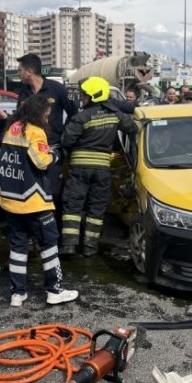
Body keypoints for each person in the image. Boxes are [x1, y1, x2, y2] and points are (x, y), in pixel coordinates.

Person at [0, 94, 78, 308]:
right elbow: (42, 162)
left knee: (18, 248)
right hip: (34, 201)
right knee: (49, 245)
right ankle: (55, 290)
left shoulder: (12, 128)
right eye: (47, 114)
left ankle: (17, 293)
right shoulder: (35, 131)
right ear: (39, 113)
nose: (48, 117)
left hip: (11, 200)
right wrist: (55, 155)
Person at [0, 53, 77, 232]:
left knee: (52, 192)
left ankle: (53, 233)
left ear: (30, 71)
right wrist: (7, 118)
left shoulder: (57, 89)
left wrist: (65, 134)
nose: (18, 74)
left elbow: (75, 113)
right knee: (32, 192)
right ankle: (34, 232)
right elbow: (20, 118)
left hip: (52, 149)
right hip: (29, 150)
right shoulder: (23, 93)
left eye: (20, 70)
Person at [60, 77, 135, 257]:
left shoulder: (81, 116)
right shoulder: (115, 114)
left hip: (79, 169)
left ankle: (69, 245)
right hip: (102, 169)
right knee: (97, 207)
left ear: (93, 96)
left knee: (73, 207)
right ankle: (90, 247)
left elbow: (66, 140)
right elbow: (133, 126)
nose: (82, 98)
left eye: (84, 95)